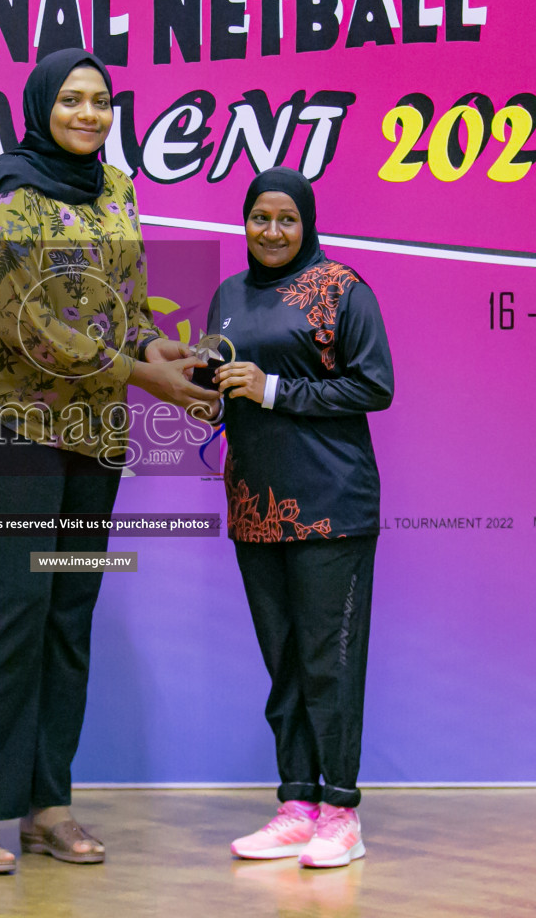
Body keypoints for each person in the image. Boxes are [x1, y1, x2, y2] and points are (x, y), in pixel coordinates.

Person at [0, 48, 217, 874]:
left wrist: (151, 347)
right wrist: (144, 377)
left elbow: (120, 305)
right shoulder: (8, 195)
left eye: (101, 101)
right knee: (15, 603)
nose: (88, 114)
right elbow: (28, 326)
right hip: (4, 425)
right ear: (41, 104)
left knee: (67, 612)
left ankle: (46, 803)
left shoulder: (118, 189)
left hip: (90, 433)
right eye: (72, 100)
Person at [206, 167, 394, 868]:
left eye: (287, 219)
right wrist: (208, 394)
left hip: (329, 505)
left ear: (307, 222)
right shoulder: (228, 295)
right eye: (260, 218)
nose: (273, 231)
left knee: (329, 663)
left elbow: (375, 384)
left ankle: (341, 812)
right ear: (244, 221)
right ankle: (296, 804)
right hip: (254, 503)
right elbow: (226, 377)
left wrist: (274, 388)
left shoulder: (344, 290)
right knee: (284, 661)